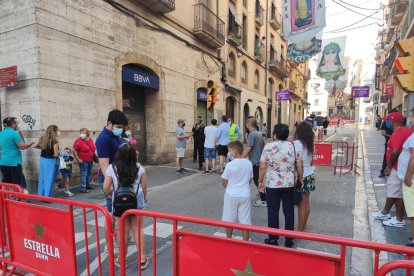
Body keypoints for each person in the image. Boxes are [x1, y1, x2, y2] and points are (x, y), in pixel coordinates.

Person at [103, 143, 150, 269]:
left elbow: (106, 187)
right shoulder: (139, 168)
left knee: (122, 230)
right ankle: (142, 259)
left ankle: (122, 259)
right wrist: (144, 198)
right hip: (136, 201)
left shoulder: (112, 168)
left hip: (119, 202)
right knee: (138, 229)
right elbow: (144, 186)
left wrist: (110, 194)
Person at [258, 124, 303, 248]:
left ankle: (273, 238)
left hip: (272, 184)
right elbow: (299, 164)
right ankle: (289, 239)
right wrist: (300, 178)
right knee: (289, 211)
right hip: (289, 184)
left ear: (275, 134)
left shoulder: (268, 146)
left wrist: (260, 180)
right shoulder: (293, 146)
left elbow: (263, 166)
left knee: (273, 211)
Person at [374, 112, 413, 228]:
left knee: (395, 192)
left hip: (396, 167)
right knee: (398, 193)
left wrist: (388, 167)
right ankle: (389, 214)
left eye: (388, 121)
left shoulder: (398, 132)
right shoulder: (408, 131)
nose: (387, 123)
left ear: (393, 121)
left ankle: (397, 218)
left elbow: (395, 151)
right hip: (402, 167)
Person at [96, 109, 128, 214]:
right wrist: (111, 185)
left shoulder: (115, 136)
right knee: (113, 213)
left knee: (119, 212)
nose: (120, 130)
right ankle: (111, 231)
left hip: (118, 178)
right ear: (109, 123)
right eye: (118, 127)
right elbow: (104, 164)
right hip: (111, 180)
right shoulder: (104, 139)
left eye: (122, 128)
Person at [221, 141, 253, 241]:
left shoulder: (229, 165)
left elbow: (224, 181)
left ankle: (229, 239)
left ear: (234, 152)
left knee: (229, 219)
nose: (229, 153)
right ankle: (245, 241)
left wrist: (230, 188)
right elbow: (250, 179)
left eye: (229, 151)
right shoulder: (248, 163)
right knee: (245, 220)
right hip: (245, 194)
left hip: (231, 194)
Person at [0, 117, 34, 192]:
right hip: (14, 163)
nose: (18, 125)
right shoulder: (14, 133)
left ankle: (7, 198)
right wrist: (31, 143)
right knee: (16, 183)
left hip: (3, 162)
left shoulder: (1, 133)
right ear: (12, 124)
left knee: (6, 183)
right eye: (17, 123)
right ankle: (17, 199)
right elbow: (22, 146)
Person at [397, 108, 414, 246]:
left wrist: (408, 177)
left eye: (410, 117)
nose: (409, 119)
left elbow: (413, 156)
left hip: (411, 181)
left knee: (413, 212)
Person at [294, 122, 315, 232]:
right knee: (306, 202)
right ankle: (303, 225)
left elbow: (298, 162)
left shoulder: (297, 144)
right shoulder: (310, 143)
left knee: (301, 204)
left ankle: (300, 229)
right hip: (310, 174)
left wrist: (300, 178)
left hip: (302, 175)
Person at [242, 118, 266, 207]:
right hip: (259, 159)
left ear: (248, 124)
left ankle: (264, 199)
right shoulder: (259, 133)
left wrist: (241, 157)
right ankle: (262, 195)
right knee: (259, 180)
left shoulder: (252, 134)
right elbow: (264, 144)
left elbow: (248, 147)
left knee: (257, 180)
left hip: (255, 161)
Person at [35, 125, 60, 197]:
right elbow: (56, 154)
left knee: (42, 177)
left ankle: (41, 195)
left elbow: (35, 146)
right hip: (50, 161)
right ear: (54, 131)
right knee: (49, 178)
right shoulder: (55, 141)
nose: (58, 132)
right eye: (57, 130)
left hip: (43, 159)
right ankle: (47, 196)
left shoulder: (43, 138)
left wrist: (43, 147)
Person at [73, 128, 96, 193]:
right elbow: (74, 151)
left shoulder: (90, 139)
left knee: (88, 173)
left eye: (83, 133)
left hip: (90, 159)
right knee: (84, 174)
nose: (82, 134)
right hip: (83, 160)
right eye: (81, 133)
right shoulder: (78, 141)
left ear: (87, 133)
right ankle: (83, 188)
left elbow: (93, 147)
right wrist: (78, 159)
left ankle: (87, 185)